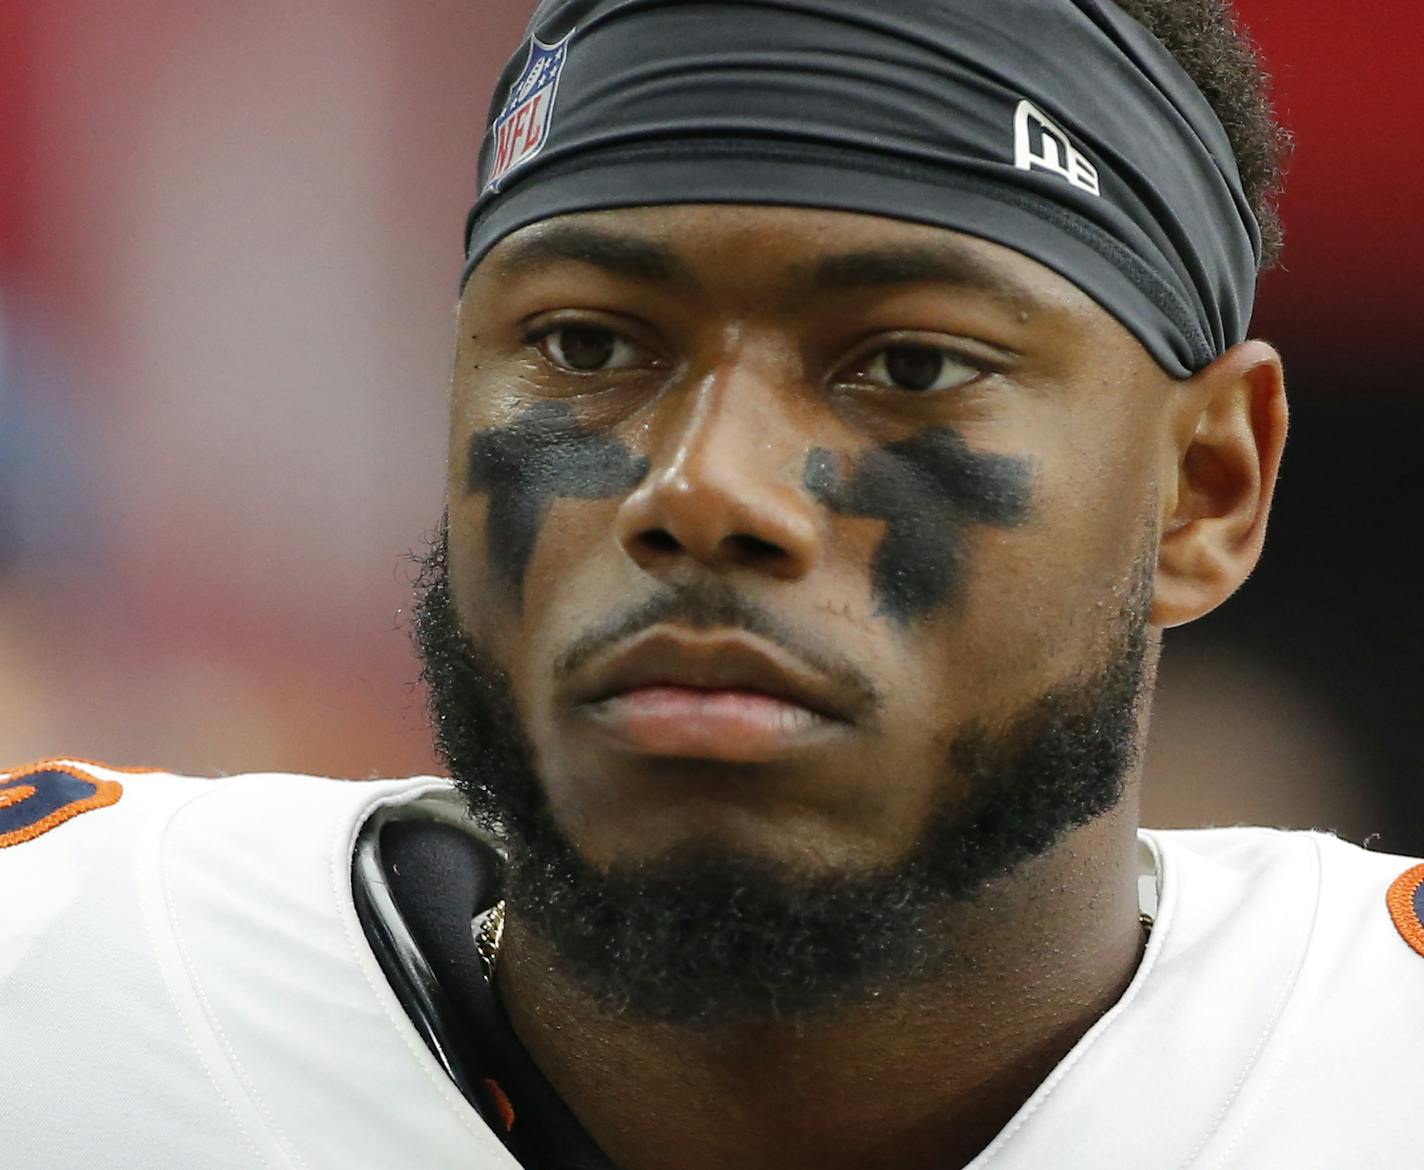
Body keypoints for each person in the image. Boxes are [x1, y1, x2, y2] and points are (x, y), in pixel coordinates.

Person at [3, 1, 1421, 1167]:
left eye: (912, 365)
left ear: (1209, 488)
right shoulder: (49, 981)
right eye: (585, 342)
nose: (704, 487)